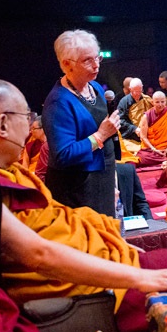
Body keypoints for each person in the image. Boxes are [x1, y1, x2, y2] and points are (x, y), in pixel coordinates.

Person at [0, 77, 167, 332]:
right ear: (2, 124)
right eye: (25, 116)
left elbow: (54, 218)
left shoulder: (0, 171)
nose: (29, 127)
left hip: (87, 257)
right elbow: (39, 254)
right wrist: (141, 278)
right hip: (66, 283)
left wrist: (109, 241)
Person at [42, 30, 121, 216]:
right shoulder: (58, 102)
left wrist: (113, 183)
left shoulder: (94, 87)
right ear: (66, 64)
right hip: (76, 187)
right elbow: (63, 155)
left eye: (97, 58)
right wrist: (100, 135)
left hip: (103, 178)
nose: (96, 65)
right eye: (87, 60)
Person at [136, 91, 167, 167]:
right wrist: (154, 149)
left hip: (166, 149)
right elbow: (143, 137)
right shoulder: (147, 116)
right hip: (151, 150)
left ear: (166, 101)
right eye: (157, 102)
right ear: (152, 102)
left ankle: (166, 159)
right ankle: (166, 160)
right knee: (140, 158)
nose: (160, 105)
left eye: (162, 102)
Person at [117, 78, 153, 142]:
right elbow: (120, 120)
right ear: (130, 89)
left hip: (147, 135)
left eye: (140, 91)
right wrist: (134, 128)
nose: (138, 94)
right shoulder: (124, 102)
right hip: (131, 137)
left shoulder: (147, 99)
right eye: (136, 91)